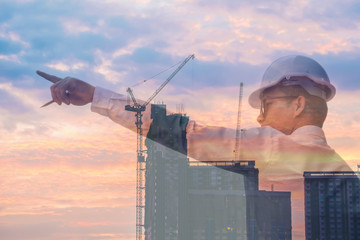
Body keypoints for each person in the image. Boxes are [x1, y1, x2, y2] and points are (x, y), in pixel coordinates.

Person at [37, 55, 356, 239]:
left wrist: (96, 96)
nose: (259, 118)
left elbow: (186, 133)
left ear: (299, 104)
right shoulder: (345, 176)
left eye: (267, 105)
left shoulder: (276, 149)